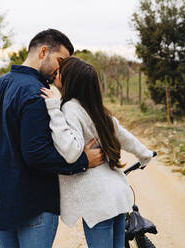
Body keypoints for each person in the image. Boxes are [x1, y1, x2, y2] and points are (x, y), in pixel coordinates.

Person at [0, 29, 104, 248]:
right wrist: (83, 162)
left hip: (0, 206)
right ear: (44, 51)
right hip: (33, 208)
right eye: (60, 60)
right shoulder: (38, 92)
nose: (61, 69)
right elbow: (37, 154)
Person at [40, 56, 154, 248]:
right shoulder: (97, 109)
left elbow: (70, 151)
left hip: (98, 200)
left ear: (70, 80)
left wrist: (53, 108)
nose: (55, 74)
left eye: (60, 72)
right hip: (118, 195)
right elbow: (122, 134)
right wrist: (144, 154)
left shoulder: (69, 108)